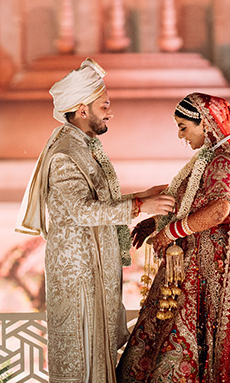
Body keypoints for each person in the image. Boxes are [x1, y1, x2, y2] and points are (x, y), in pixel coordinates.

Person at [118, 93, 230, 383]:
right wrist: (154, 222)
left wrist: (170, 231)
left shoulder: (224, 159)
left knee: (185, 345)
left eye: (184, 127)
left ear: (205, 122)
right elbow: (191, 202)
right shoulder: (206, 158)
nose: (180, 135)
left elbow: (218, 211)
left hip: (207, 273)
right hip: (189, 267)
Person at [17, 58, 175, 383]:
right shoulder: (65, 154)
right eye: (104, 105)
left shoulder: (82, 147)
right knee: (83, 364)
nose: (110, 112)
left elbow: (95, 201)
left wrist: (141, 195)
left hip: (92, 273)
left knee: (97, 361)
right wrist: (141, 205)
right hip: (79, 278)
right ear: (82, 109)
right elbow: (81, 210)